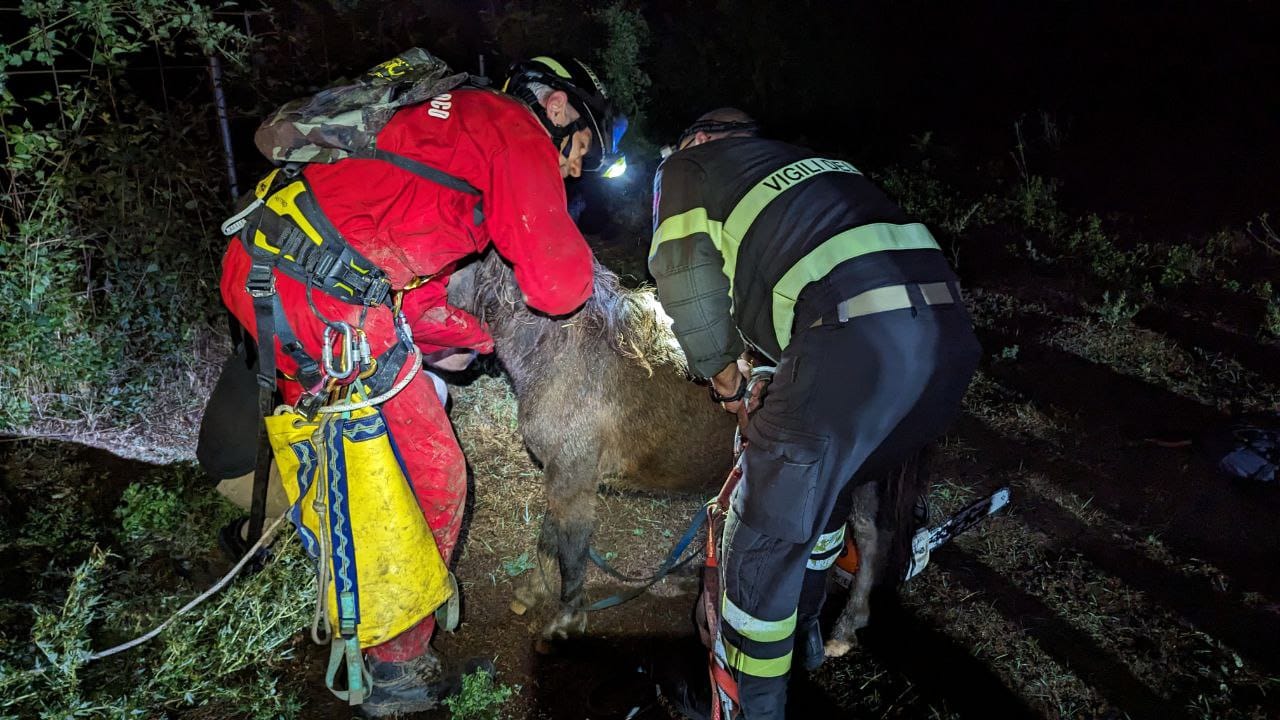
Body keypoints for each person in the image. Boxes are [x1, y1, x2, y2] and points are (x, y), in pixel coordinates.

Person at [200, 55, 619, 717]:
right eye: (581, 152)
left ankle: (343, 576)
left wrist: (476, 341)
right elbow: (559, 284)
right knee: (432, 473)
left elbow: (405, 279)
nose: (572, 169)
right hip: (323, 298)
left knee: (337, 450)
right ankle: (397, 670)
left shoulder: (440, 123)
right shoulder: (513, 128)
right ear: (560, 108)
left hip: (263, 265)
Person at [649, 108, 981, 718]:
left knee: (761, 549)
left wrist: (728, 386)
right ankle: (804, 639)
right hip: (949, 344)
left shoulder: (689, 165)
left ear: (697, 139)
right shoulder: (809, 165)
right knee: (824, 499)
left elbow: (686, 280)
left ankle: (751, 702)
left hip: (852, 341)